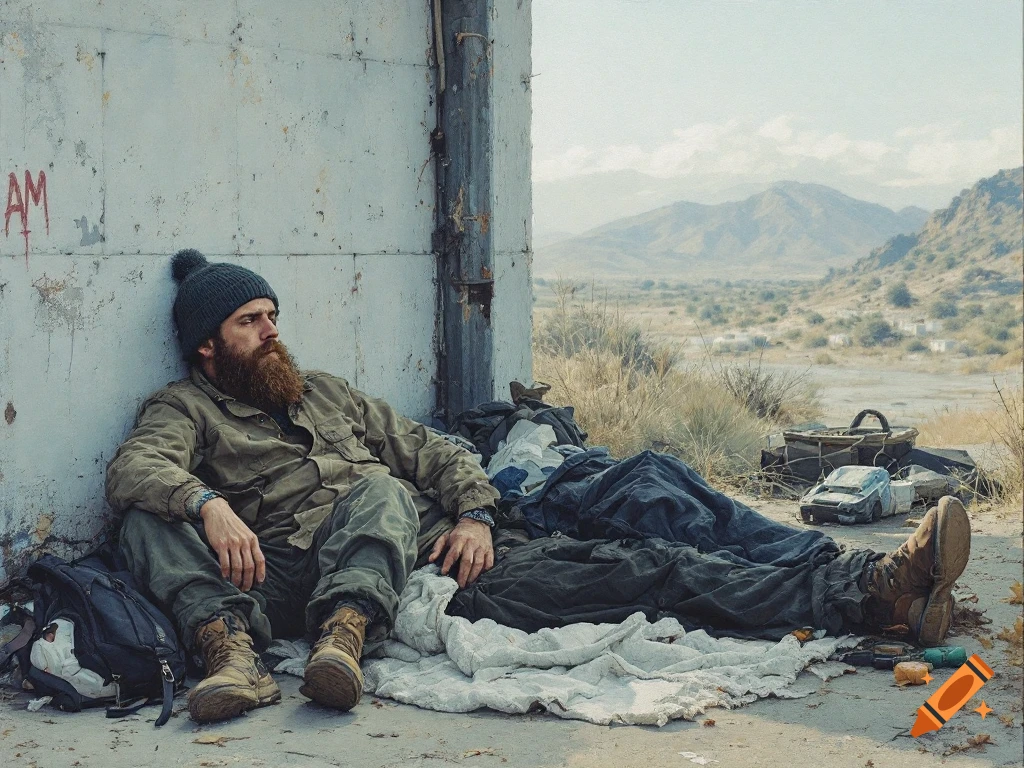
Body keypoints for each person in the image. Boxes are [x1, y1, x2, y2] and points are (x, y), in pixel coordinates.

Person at [106, 249, 499, 723]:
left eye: (271, 316)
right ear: (207, 344)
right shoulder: (183, 407)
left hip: (359, 552)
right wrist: (207, 503)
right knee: (143, 519)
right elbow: (135, 465)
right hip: (267, 574)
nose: (270, 331)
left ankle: (344, 637)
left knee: (383, 488)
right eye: (249, 321)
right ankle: (232, 657)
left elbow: (430, 450)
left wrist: (475, 516)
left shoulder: (325, 391)